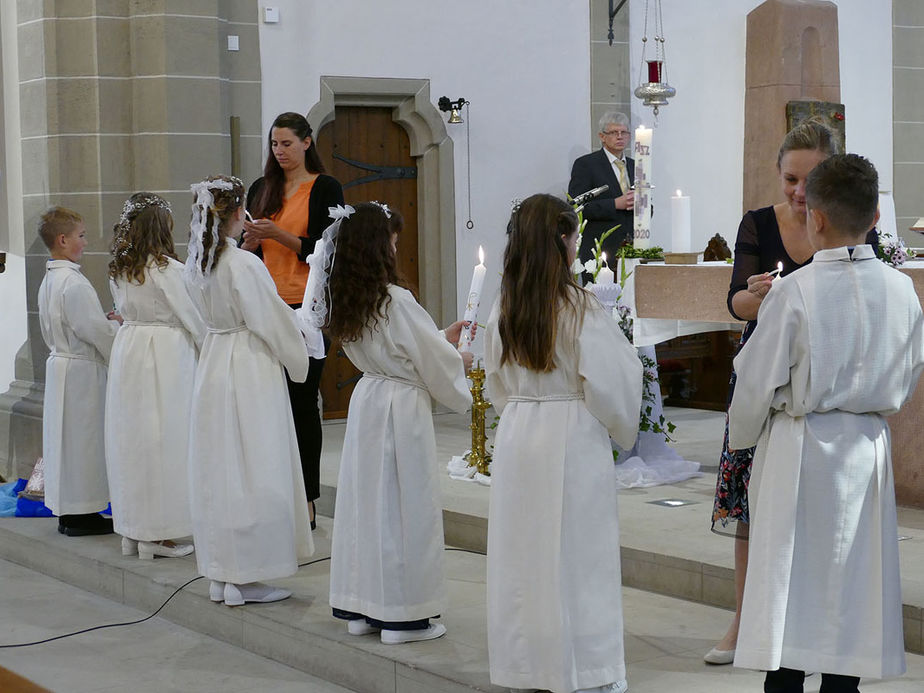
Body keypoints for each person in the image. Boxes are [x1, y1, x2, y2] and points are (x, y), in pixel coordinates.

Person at [729, 154, 922, 691]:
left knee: (793, 597)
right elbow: (907, 378)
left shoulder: (795, 291)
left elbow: (755, 383)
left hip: (802, 448)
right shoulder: (903, 289)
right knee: (850, 601)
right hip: (866, 448)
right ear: (876, 216)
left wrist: (744, 441)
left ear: (814, 217)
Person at [705, 120, 877, 665]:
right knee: (751, 507)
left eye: (809, 179)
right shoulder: (758, 224)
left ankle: (826, 629)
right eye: (789, 179)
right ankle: (743, 620)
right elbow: (736, 303)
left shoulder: (849, 224)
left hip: (826, 381)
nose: (799, 192)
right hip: (765, 374)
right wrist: (761, 296)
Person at [485, 194, 643, 693]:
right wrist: (620, 427)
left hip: (519, 432)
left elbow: (494, 381)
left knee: (524, 555)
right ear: (564, 242)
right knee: (580, 555)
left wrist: (521, 409)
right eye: (574, 237)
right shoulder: (580, 307)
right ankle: (588, 671)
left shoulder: (505, 305)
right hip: (570, 433)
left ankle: (529, 665)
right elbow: (613, 381)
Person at [317, 202, 472, 644]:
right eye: (392, 239)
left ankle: (363, 608)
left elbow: (398, 353)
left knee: (369, 506)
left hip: (370, 401)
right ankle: (404, 617)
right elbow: (428, 363)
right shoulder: (397, 300)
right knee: (404, 507)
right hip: (401, 410)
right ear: (377, 247)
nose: (396, 246)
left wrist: (439, 341)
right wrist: (458, 358)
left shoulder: (349, 300)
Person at [185, 175, 313, 606]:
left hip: (215, 362)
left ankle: (223, 572)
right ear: (238, 214)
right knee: (254, 466)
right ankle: (248, 575)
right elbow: (271, 319)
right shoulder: (242, 263)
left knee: (222, 469)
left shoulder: (199, 262)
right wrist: (303, 346)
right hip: (248, 367)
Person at [242, 112, 344, 530]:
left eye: (286, 143)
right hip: (265, 305)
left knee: (303, 404)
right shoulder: (261, 189)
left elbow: (326, 251)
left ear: (306, 143)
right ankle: (272, 494)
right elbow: (248, 252)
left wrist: (278, 236)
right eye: (274, 144)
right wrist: (247, 242)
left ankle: (307, 500)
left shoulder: (325, 187)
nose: (279, 152)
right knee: (268, 403)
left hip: (305, 308)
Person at [105, 193, 205, 560]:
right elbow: (193, 318)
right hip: (165, 356)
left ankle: (133, 531)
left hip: (130, 351)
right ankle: (159, 534)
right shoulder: (168, 270)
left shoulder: (120, 267)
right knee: (166, 442)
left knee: (133, 443)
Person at [36, 206, 120, 536]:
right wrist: (118, 331)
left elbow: (78, 323)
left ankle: (69, 510)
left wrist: (102, 321)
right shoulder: (74, 282)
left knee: (65, 443)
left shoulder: (51, 279)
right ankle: (82, 512)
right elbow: (94, 333)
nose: (85, 243)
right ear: (63, 240)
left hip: (62, 366)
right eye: (81, 236)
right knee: (84, 442)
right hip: (82, 372)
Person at [568, 111, 636, 261]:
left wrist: (642, 205)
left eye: (624, 132)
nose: (620, 136)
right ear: (602, 137)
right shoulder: (586, 165)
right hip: (599, 246)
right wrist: (615, 204)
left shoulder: (635, 165)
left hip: (631, 246)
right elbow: (577, 207)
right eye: (613, 132)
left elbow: (648, 207)